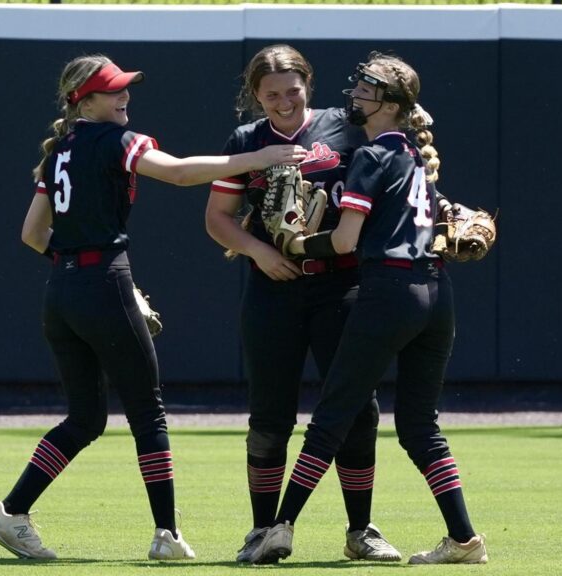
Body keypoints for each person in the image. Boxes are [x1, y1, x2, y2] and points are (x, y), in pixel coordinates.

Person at [0, 54, 305, 561]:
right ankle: (166, 536)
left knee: (86, 418)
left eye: (125, 87)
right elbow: (177, 173)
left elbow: (31, 234)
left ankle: (12, 513)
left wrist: (76, 266)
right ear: (83, 100)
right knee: (148, 413)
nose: (124, 95)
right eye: (113, 90)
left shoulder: (59, 149)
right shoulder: (113, 140)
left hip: (62, 289)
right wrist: (258, 158)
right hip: (103, 281)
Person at [251, 52, 488, 565]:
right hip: (436, 294)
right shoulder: (416, 159)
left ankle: (280, 527)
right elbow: (442, 219)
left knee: (331, 417)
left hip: (388, 294)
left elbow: (343, 243)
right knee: (420, 427)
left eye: (366, 88)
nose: (355, 93)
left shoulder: (371, 156)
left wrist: (293, 246)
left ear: (390, 103)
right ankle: (464, 539)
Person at [205, 44, 401, 563]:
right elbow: (218, 216)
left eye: (293, 90)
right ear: (255, 95)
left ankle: (361, 530)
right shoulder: (249, 140)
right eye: (272, 94)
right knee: (269, 416)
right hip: (273, 288)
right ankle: (262, 529)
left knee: (358, 410)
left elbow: (399, 168)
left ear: (308, 85)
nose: (284, 101)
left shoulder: (348, 126)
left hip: (343, 284)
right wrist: (257, 250)